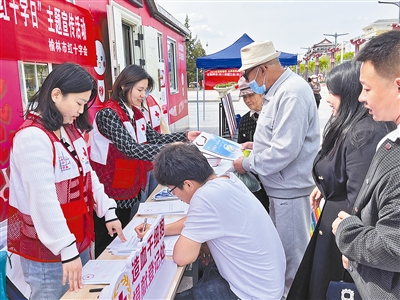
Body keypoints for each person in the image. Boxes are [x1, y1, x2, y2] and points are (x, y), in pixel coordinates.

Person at [7, 63, 126, 299]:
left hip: (76, 240)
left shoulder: (69, 130)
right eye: (79, 103)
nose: (81, 111)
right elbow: (43, 201)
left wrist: (108, 210)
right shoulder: (32, 137)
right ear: (56, 94)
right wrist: (66, 248)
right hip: (50, 252)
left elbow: (88, 174)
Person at [287, 61, 395, 299]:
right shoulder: (353, 125)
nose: (327, 97)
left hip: (344, 235)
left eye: (333, 91)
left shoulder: (364, 132)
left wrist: (351, 244)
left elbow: (361, 199)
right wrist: (325, 187)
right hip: (337, 228)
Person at [136, 143, 286, 299]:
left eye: (172, 190)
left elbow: (182, 257)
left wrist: (199, 243)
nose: (175, 195)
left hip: (251, 293)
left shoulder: (205, 197)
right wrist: (161, 230)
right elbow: (194, 220)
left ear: (188, 184)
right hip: (263, 282)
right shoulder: (226, 180)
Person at [233, 40, 320, 298]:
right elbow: (278, 139)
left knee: (292, 261)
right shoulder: (279, 91)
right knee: (282, 256)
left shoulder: (291, 93)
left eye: (248, 76)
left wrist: (247, 163)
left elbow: (284, 150)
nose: (250, 83)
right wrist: (255, 145)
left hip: (290, 191)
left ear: (261, 69)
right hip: (283, 189)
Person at [89, 64, 200, 257]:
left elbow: (153, 137)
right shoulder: (108, 114)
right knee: (109, 243)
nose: (143, 95)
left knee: (126, 237)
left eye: (145, 90)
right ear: (124, 86)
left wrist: (184, 137)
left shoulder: (136, 112)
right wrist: (173, 150)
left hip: (131, 184)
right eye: (139, 90)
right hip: (110, 189)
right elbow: (130, 149)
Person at [332, 30, 400, 300]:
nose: (360, 97)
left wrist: (347, 234)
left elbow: (393, 246)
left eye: (368, 88)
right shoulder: (390, 141)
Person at [236, 76, 269, 211]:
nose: (247, 100)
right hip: (252, 179)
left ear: (262, 93)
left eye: (251, 95)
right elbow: (240, 147)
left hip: (273, 179)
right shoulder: (245, 120)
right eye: (244, 97)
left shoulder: (273, 116)